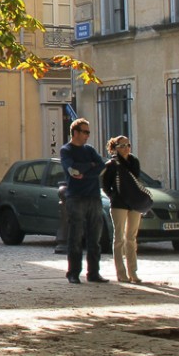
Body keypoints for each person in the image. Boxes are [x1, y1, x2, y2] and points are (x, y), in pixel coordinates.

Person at [59, 117, 108, 284]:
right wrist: (90, 166)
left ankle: (93, 273)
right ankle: (73, 273)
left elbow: (102, 166)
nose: (88, 135)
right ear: (75, 132)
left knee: (95, 237)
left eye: (88, 132)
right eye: (85, 131)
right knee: (76, 236)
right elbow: (72, 170)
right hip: (76, 197)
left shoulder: (90, 150)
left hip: (94, 197)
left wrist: (85, 172)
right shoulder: (66, 150)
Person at [101, 136, 143, 283]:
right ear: (116, 147)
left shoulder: (134, 161)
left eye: (128, 145)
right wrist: (114, 196)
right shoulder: (111, 164)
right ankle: (121, 273)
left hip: (134, 203)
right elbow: (105, 185)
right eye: (122, 145)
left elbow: (136, 179)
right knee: (119, 238)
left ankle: (133, 272)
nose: (126, 148)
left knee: (131, 238)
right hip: (119, 204)